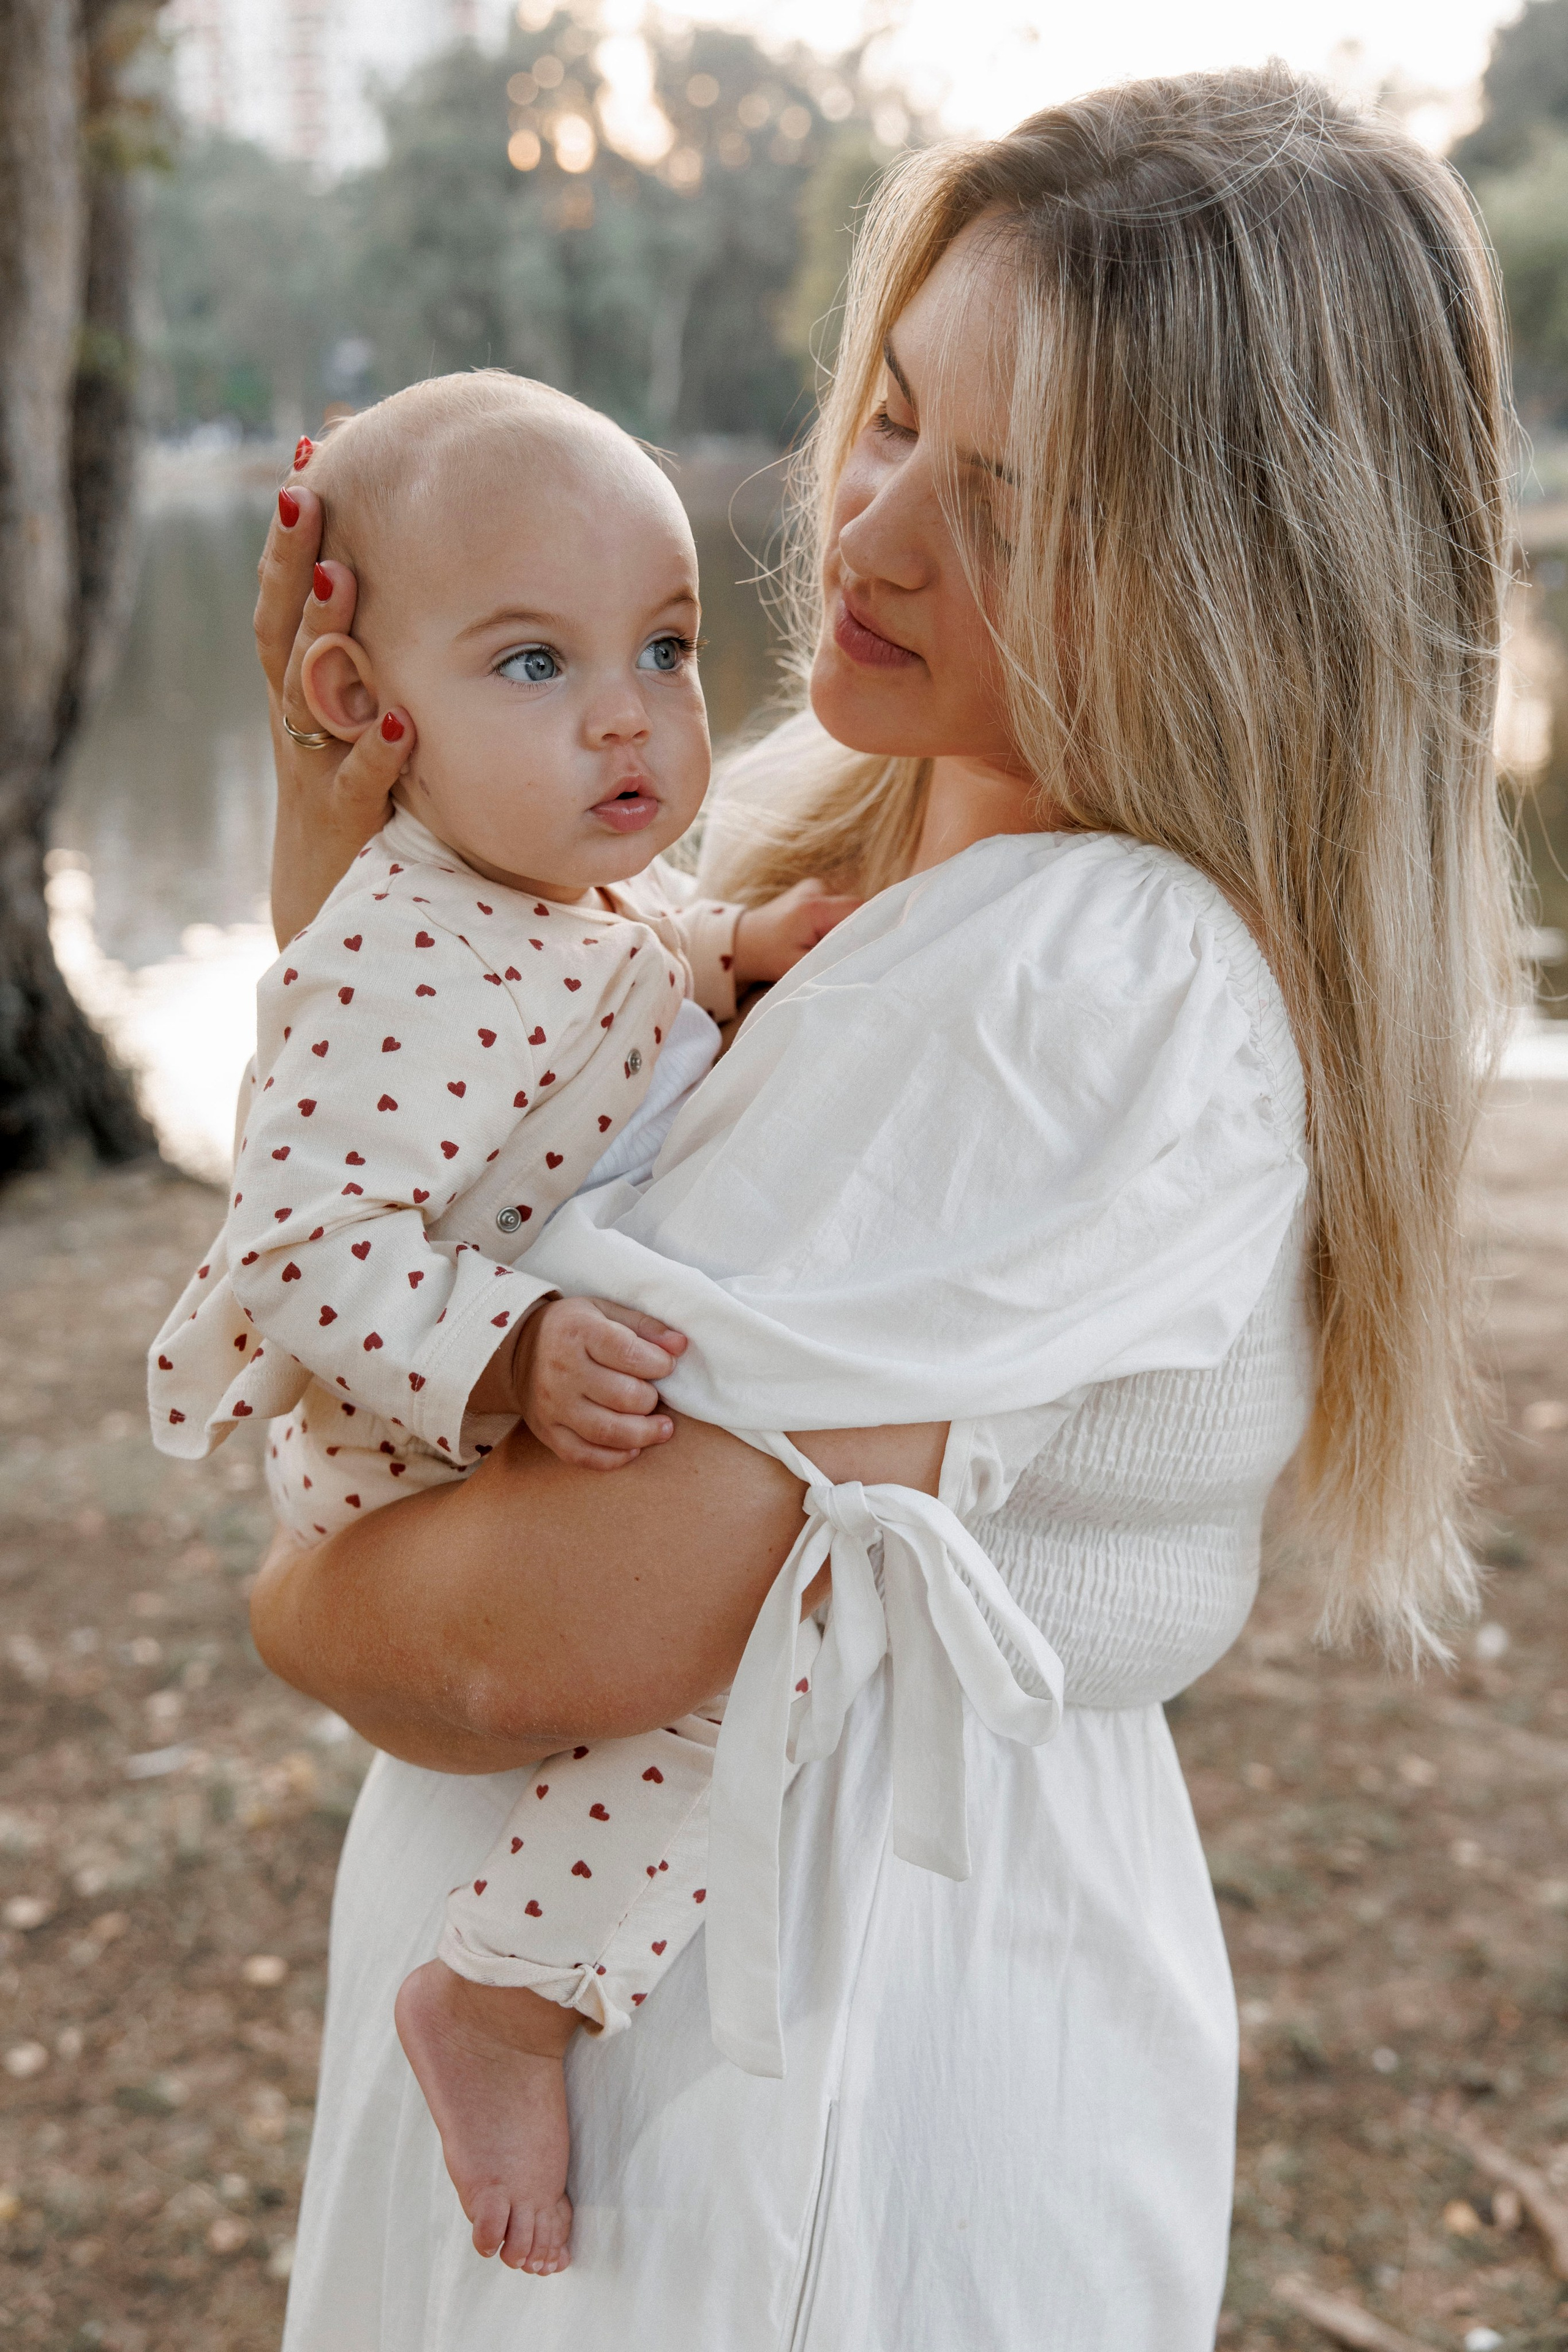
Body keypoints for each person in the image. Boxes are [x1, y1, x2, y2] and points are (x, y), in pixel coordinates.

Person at [248, 64, 1518, 2351]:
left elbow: (515, 1638)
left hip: (796, 2059)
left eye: (1014, 505)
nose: (870, 530)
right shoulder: (807, 824)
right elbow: (411, 1157)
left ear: (1243, 597)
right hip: (616, 1992)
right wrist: (359, 848)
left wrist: (297, 1593)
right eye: (900, 414)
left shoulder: (1089, 970)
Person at [148, 371, 861, 2277]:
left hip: (493, 1418)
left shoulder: (569, 879)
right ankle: (509, 1997)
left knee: (759, 1624)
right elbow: (299, 1245)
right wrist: (509, 1349)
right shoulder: (386, 954)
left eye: (665, 647)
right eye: (534, 663)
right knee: (734, 1651)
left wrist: (733, 950)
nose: (628, 714)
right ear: (356, 702)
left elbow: (616, 978)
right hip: (409, 1450)